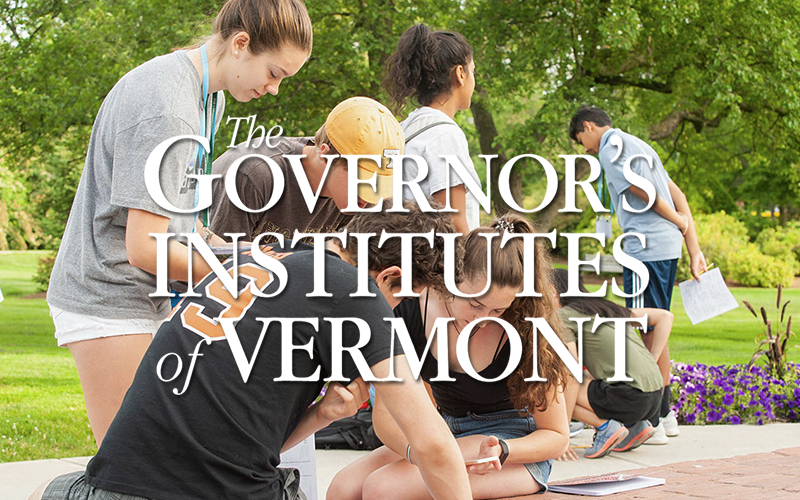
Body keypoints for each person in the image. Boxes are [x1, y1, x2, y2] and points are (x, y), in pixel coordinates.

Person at [30, 204, 477, 500]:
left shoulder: (260, 258)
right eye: (402, 300)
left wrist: (323, 416)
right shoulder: (353, 288)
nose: (394, 312)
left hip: (109, 488)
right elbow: (433, 443)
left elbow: (236, 443)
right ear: (388, 276)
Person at [45, 0, 313, 447]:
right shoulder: (169, 107)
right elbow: (144, 248)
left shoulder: (206, 98)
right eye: (275, 73)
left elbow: (181, 223)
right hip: (109, 297)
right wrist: (246, 276)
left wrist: (245, 253)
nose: (274, 89)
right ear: (241, 44)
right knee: (134, 468)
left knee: (165, 463)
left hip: (148, 299)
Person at [327, 214, 570, 499]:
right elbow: (386, 419)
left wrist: (504, 449)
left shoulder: (527, 327)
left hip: (509, 444)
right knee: (343, 488)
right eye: (475, 303)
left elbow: (557, 436)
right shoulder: (410, 307)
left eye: (498, 311)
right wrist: (417, 452)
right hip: (445, 431)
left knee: (384, 488)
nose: (482, 318)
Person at [568, 105, 706, 439]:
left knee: (643, 328)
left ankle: (653, 420)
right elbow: (679, 194)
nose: (584, 148)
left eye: (580, 140)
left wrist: (676, 220)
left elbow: (643, 192)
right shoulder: (640, 145)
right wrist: (694, 248)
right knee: (653, 322)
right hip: (664, 248)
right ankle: (664, 414)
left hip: (645, 249)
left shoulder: (610, 149)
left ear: (588, 126)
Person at [209, 96, 403, 242]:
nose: (371, 196)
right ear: (325, 155)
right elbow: (217, 265)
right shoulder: (256, 174)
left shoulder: (361, 201)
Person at [551, 269, 670, 459]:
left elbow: (571, 371)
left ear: (552, 291)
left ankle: (606, 427)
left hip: (629, 397)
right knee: (588, 379)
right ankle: (635, 427)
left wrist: (561, 434)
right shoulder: (606, 307)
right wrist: (652, 360)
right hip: (655, 397)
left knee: (553, 390)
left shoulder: (562, 316)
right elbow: (665, 317)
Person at [384, 24, 483, 235]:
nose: (474, 79)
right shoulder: (445, 135)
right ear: (460, 74)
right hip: (438, 264)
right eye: (472, 71)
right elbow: (453, 224)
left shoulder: (403, 129)